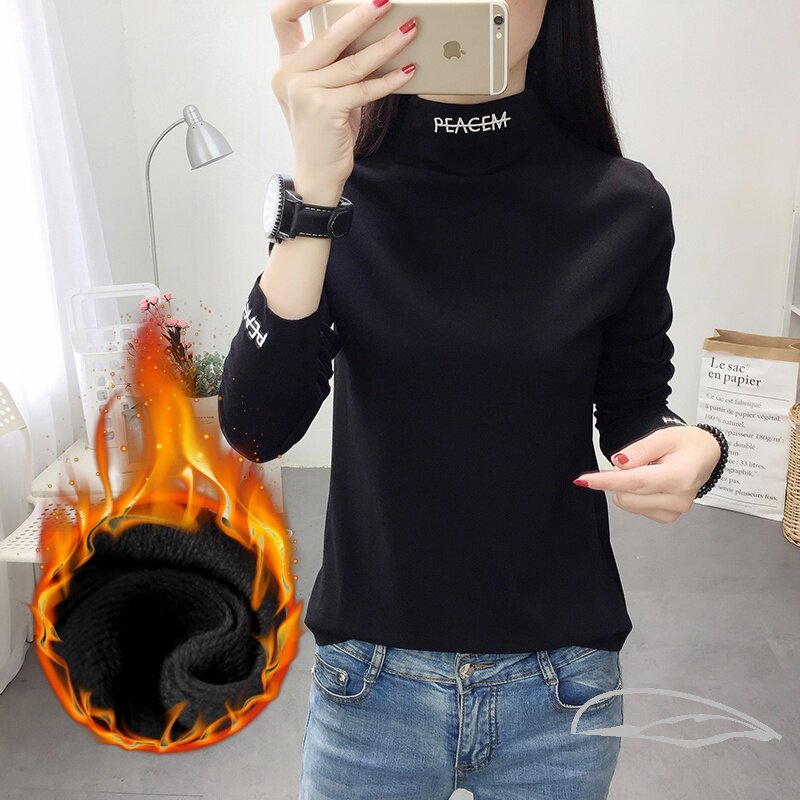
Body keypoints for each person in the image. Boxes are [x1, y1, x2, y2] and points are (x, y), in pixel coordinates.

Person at [219, 0, 727, 797]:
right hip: (369, 678)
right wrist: (314, 189)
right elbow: (256, 428)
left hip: (561, 683)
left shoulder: (623, 204)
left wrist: (698, 448)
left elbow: (637, 409)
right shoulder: (339, 197)